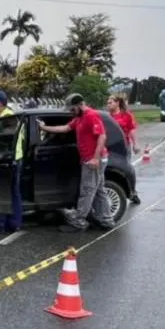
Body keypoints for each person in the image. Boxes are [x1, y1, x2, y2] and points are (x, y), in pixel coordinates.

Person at [37, 93, 115, 232]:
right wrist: (44, 128)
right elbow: (65, 128)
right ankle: (106, 220)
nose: (70, 112)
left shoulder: (91, 115)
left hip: (93, 161)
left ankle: (79, 221)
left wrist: (95, 158)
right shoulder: (79, 118)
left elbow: (102, 136)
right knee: (98, 191)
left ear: (80, 105)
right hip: (89, 160)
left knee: (87, 190)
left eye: (72, 109)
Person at [0, 89, 25, 234]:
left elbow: (3, 140)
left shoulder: (7, 117)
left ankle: (4, 225)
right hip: (13, 159)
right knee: (11, 192)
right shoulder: (8, 116)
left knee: (7, 193)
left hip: (10, 160)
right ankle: (11, 223)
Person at [106, 94, 142, 205]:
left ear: (117, 103)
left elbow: (131, 131)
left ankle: (132, 192)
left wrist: (135, 145)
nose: (108, 104)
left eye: (110, 102)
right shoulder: (107, 117)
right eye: (107, 102)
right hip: (109, 146)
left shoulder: (126, 115)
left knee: (127, 168)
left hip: (123, 147)